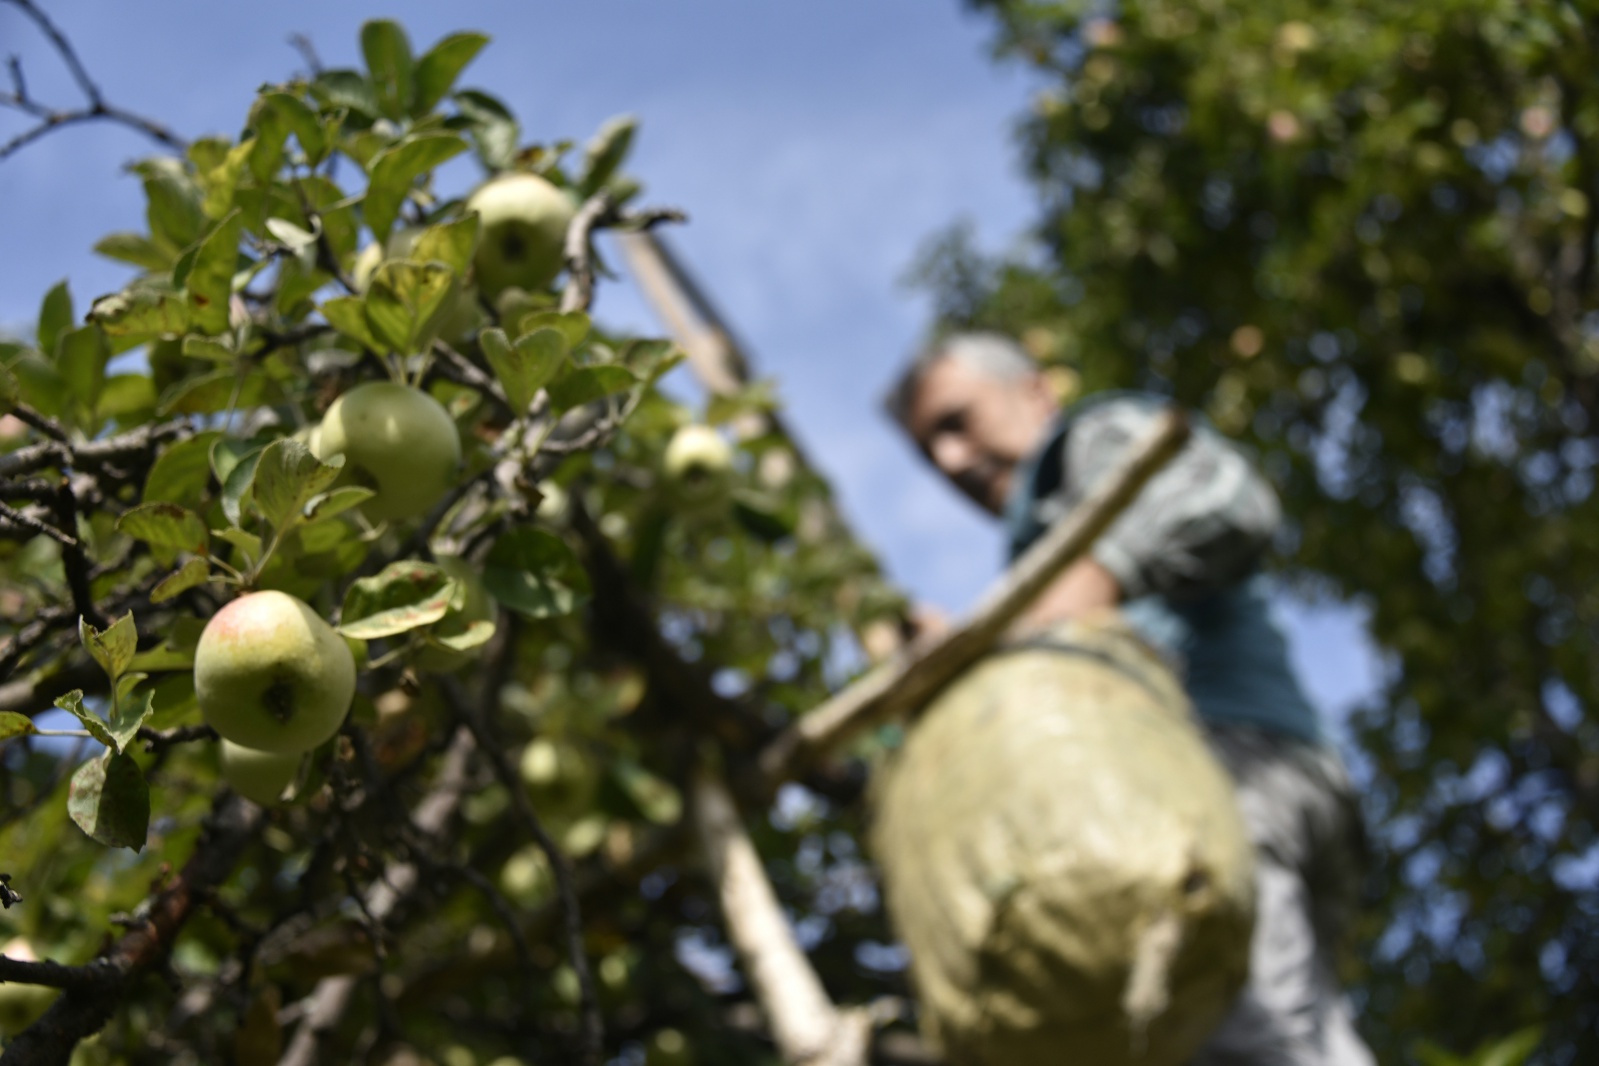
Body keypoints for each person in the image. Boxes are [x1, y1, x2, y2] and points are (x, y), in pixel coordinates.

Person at [886, 331, 1375, 1066]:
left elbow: (1218, 499)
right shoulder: (1036, 549)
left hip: (1225, 768)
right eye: (931, 452)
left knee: (1247, 1033)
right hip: (1247, 780)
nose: (950, 462)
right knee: (1281, 1030)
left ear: (1034, 392)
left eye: (956, 422)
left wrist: (1061, 601)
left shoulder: (1089, 443)